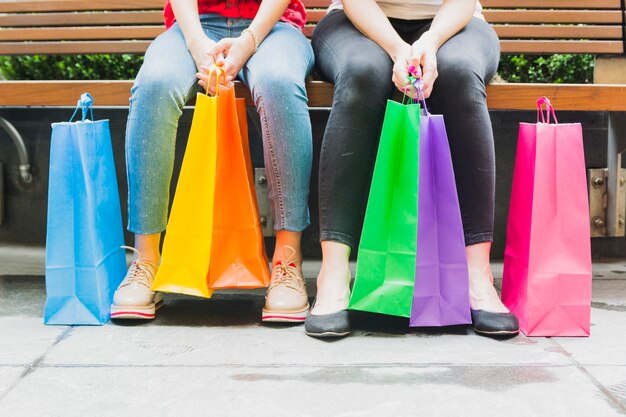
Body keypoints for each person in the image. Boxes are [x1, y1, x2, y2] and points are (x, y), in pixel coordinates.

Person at [305, 0, 520, 338]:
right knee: (362, 72)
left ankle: (478, 277)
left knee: (460, 71)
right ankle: (332, 274)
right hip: (355, 23)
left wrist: (430, 42)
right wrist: (397, 49)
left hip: (453, 24)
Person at [110, 0, 314, 323]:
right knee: (155, 85)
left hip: (273, 26)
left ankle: (287, 260)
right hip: (194, 24)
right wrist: (195, 42)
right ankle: (146, 260)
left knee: (279, 84)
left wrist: (248, 42)